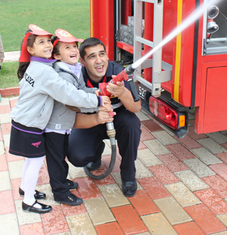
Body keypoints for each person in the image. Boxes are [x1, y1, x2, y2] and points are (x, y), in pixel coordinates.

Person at [9, 24, 110, 214]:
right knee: (38, 161)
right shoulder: (47, 72)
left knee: (34, 161)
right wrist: (96, 100)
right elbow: (69, 95)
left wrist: (93, 94)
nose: (47, 44)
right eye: (42, 42)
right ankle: (36, 199)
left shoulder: (38, 66)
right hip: (33, 125)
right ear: (30, 49)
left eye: (48, 41)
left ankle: (27, 188)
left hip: (27, 122)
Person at [67, 37, 142, 197]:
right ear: (83, 62)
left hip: (118, 120)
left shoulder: (118, 73)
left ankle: (128, 174)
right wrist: (97, 118)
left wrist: (122, 92)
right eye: (92, 56)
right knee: (76, 156)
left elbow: (136, 107)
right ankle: (95, 152)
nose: (99, 61)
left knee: (131, 124)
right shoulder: (77, 78)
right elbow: (73, 120)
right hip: (91, 121)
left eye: (102, 54)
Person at [45, 29, 101, 206]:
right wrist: (97, 101)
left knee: (60, 156)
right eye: (67, 47)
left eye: (75, 46)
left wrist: (95, 91)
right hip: (54, 125)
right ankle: (60, 192)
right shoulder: (63, 75)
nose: (74, 50)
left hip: (64, 123)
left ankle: (62, 181)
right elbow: (72, 99)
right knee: (56, 159)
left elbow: (81, 91)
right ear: (57, 55)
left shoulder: (73, 69)